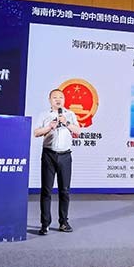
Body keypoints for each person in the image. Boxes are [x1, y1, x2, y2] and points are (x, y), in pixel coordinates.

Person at [33, 89, 81, 235]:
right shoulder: (44, 115)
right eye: (55, 97)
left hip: (65, 156)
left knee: (64, 191)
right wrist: (49, 127)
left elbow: (78, 131)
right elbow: (36, 133)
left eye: (61, 97)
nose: (58, 100)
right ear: (50, 100)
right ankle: (45, 224)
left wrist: (66, 122)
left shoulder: (69, 114)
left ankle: (63, 222)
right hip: (49, 155)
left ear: (64, 100)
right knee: (46, 190)